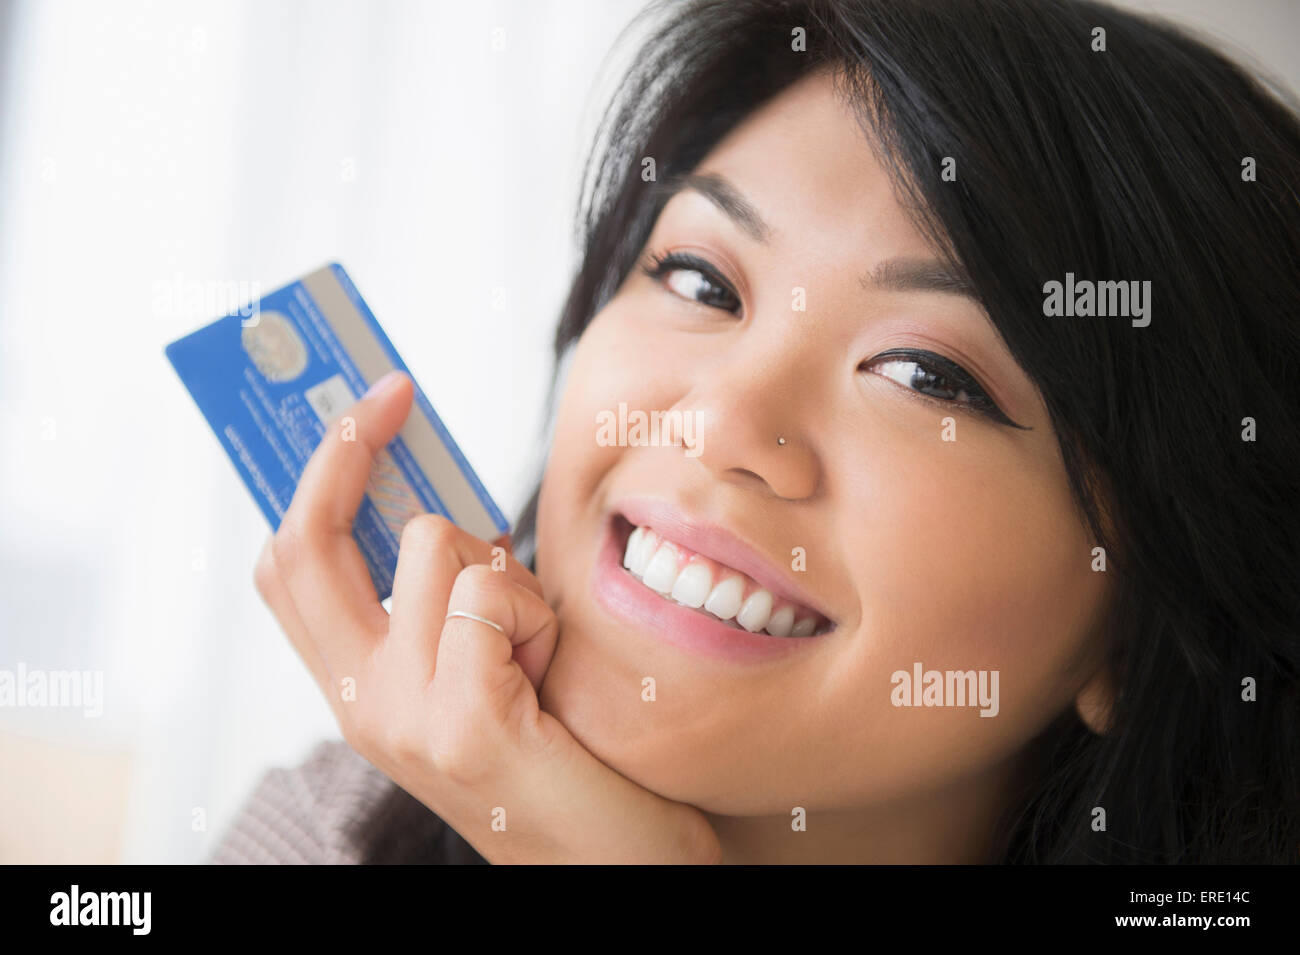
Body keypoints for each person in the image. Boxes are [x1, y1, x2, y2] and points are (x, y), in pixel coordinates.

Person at [211, 0, 1300, 864]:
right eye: (698, 278)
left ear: (1138, 621)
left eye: (926, 374)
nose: (721, 420)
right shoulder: (325, 835)